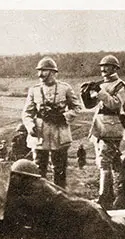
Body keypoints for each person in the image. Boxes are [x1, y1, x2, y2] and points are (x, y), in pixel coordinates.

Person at [21, 57, 82, 188]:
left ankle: (60, 198)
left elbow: (77, 107)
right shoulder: (34, 90)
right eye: (39, 71)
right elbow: (27, 113)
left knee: (59, 170)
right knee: (38, 169)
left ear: (53, 72)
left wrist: (64, 117)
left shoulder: (65, 88)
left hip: (59, 134)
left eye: (44, 71)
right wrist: (30, 126)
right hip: (40, 135)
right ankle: (41, 198)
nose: (40, 74)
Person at [81, 55, 125, 208]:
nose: (103, 69)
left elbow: (115, 105)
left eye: (107, 66)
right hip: (101, 127)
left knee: (105, 163)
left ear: (115, 68)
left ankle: (105, 197)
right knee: (110, 163)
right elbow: (91, 105)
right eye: (102, 66)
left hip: (112, 127)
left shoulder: (120, 85)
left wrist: (99, 91)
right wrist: (86, 94)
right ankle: (117, 194)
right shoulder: (102, 84)